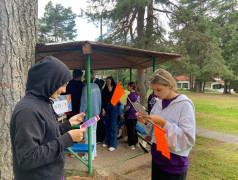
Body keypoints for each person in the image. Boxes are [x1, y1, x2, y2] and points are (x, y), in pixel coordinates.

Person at [10, 56, 86, 180]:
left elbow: (46, 135)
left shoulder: (44, 102)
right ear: (49, 80)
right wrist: (67, 139)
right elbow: (27, 158)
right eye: (62, 84)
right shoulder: (28, 110)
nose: (64, 90)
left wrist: (68, 125)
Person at [137, 69, 195, 180]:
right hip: (157, 159)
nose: (155, 94)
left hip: (174, 164)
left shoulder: (184, 105)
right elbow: (152, 132)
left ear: (170, 85)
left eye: (159, 90)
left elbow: (188, 139)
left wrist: (163, 122)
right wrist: (145, 120)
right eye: (154, 90)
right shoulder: (158, 103)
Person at [80, 72, 102, 160]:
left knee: (87, 135)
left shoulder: (86, 88)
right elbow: (100, 100)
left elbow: (84, 104)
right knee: (93, 133)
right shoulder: (96, 86)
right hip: (96, 114)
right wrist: (99, 111)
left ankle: (88, 155)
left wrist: (80, 115)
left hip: (88, 115)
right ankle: (94, 152)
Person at [101, 76, 118, 151]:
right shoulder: (104, 89)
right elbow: (103, 100)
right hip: (106, 107)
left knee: (113, 126)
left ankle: (113, 144)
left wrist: (111, 92)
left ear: (112, 81)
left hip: (114, 108)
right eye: (106, 81)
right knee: (106, 125)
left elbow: (116, 99)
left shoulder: (115, 88)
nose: (107, 83)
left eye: (109, 81)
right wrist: (103, 109)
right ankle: (107, 142)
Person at [124, 82, 140, 150]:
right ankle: (136, 142)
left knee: (130, 130)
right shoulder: (138, 95)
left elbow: (128, 107)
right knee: (134, 129)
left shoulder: (130, 96)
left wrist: (123, 112)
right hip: (136, 114)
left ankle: (131, 144)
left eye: (128, 86)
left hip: (130, 114)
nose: (127, 88)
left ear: (131, 87)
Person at [94, 79, 106, 143]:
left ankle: (100, 138)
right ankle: (101, 137)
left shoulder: (100, 91)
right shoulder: (102, 90)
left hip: (99, 109)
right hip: (100, 109)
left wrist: (102, 109)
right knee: (100, 123)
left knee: (99, 124)